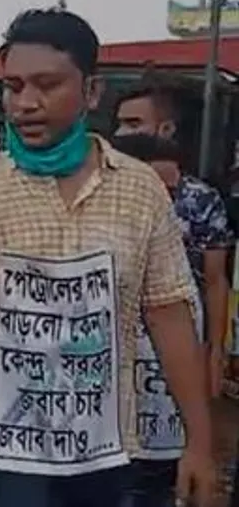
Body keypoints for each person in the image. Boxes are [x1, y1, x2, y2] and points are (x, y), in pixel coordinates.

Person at [0, 8, 215, 507]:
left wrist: (199, 441)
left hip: (106, 451)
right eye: (13, 86)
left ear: (91, 92)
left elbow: (170, 312)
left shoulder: (140, 191)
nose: (25, 103)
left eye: (46, 85)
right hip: (3, 453)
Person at [109, 133, 214, 507]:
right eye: (154, 192)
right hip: (109, 447)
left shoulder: (181, 273)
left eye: (172, 194)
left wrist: (198, 441)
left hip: (166, 446)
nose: (165, 206)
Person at [114, 81, 233, 398]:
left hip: (177, 342)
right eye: (120, 124)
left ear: (166, 128)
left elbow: (215, 281)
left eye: (134, 123)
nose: (123, 133)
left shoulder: (199, 200)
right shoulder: (104, 191)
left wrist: (215, 352)